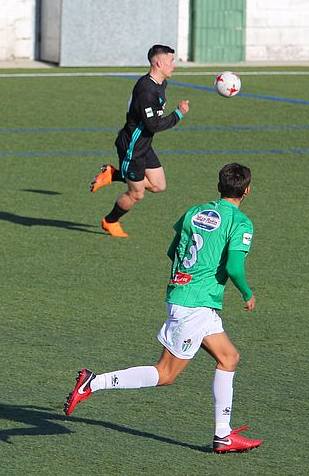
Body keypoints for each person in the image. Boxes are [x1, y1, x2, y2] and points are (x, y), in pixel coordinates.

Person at [64, 163, 262, 454]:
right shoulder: (241, 222)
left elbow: (173, 251)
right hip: (195, 305)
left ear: (219, 186)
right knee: (165, 374)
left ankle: (223, 434)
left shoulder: (194, 212)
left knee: (229, 357)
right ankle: (93, 383)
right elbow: (234, 266)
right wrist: (247, 293)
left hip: (186, 296)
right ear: (246, 190)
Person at [90, 44, 189, 238]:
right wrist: (178, 114)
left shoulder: (161, 84)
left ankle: (114, 174)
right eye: (170, 61)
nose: (174, 65)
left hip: (144, 144)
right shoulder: (146, 91)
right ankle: (110, 221)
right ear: (159, 63)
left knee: (159, 185)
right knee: (137, 193)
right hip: (132, 148)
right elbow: (153, 125)